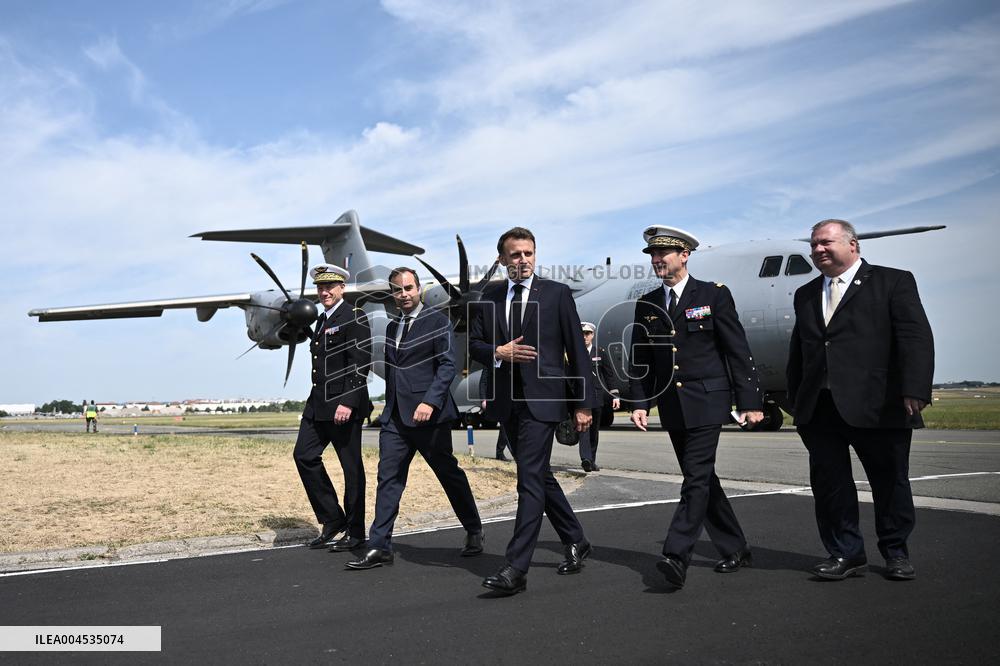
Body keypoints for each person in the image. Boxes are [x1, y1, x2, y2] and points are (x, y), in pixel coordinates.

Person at [787, 219, 933, 581]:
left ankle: (896, 552)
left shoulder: (893, 281)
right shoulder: (805, 293)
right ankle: (846, 553)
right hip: (820, 408)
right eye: (814, 244)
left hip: (878, 402)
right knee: (830, 485)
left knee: (890, 481)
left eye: (826, 243)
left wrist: (915, 388)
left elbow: (915, 336)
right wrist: (796, 400)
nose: (818, 250)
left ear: (853, 245)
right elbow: (799, 352)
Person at [629, 226, 763, 589]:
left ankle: (675, 554)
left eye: (664, 254)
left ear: (685, 255)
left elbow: (737, 349)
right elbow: (642, 359)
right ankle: (736, 547)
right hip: (673, 406)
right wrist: (640, 402)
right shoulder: (648, 304)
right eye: (653, 256)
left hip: (708, 400)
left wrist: (750, 401)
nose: (657, 260)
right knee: (704, 479)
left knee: (695, 477)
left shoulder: (713, 295)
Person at [469, 226, 596, 596]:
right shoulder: (489, 297)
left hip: (544, 400)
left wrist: (583, 403)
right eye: (515, 255)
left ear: (535, 255)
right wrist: (498, 351)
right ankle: (576, 538)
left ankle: (516, 567)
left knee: (528, 479)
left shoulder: (556, 294)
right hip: (509, 401)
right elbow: (474, 343)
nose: (522, 260)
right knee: (539, 475)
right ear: (502, 259)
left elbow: (577, 349)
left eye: (528, 253)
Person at [346, 267, 484, 569]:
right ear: (392, 294)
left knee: (448, 474)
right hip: (395, 417)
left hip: (429, 417)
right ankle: (379, 545)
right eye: (398, 289)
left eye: (409, 288)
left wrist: (430, 402)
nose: (404, 294)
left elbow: (447, 366)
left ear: (419, 288)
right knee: (388, 479)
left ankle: (474, 529)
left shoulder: (438, 321)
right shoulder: (394, 326)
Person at [294, 264, 371, 552]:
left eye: (330, 286)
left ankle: (356, 532)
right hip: (318, 404)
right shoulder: (322, 320)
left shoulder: (354, 316)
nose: (324, 291)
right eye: (320, 287)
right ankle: (332, 519)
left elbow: (360, 362)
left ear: (341, 288)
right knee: (304, 455)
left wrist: (348, 402)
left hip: (343, 405)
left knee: (351, 470)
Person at [578, 322, 620, 472]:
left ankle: (592, 460)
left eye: (587, 333)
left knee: (594, 430)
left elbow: (609, 375)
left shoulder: (600, 353)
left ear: (592, 335)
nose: (584, 336)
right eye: (582, 333)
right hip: (580, 397)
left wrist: (615, 395)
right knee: (583, 428)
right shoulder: (573, 353)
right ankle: (586, 459)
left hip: (596, 396)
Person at [478, 363, 512, 461]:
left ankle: (500, 451)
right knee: (505, 425)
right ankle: (513, 453)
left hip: (510, 397)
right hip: (497, 399)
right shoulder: (490, 361)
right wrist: (483, 400)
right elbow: (483, 381)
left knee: (505, 427)